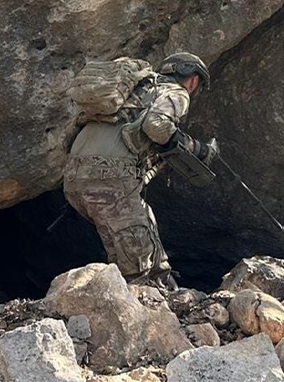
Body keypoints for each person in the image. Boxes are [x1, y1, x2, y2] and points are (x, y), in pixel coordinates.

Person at [62, 52, 213, 290]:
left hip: (74, 177)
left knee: (133, 241)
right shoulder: (175, 92)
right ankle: (153, 308)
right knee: (138, 265)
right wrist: (197, 148)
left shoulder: (131, 92)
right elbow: (156, 126)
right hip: (109, 177)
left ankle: (151, 295)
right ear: (193, 80)